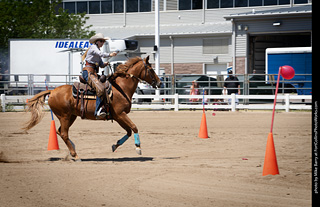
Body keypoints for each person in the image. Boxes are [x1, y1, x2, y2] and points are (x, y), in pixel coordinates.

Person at [81, 33, 118, 119]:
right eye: (101, 41)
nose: (102, 43)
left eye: (103, 41)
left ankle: (104, 108)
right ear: (97, 41)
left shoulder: (96, 49)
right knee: (100, 89)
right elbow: (101, 54)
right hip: (88, 72)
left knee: (105, 86)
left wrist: (105, 64)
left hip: (93, 72)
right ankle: (97, 111)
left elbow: (101, 64)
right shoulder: (94, 47)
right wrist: (110, 55)